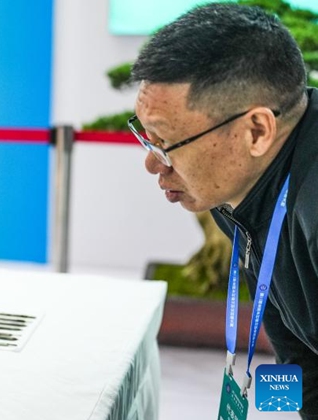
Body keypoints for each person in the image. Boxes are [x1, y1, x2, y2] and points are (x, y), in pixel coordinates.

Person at [129, 2, 318, 417]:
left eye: (166, 143)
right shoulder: (238, 191)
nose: (152, 164)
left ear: (256, 131)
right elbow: (299, 354)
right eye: (146, 137)